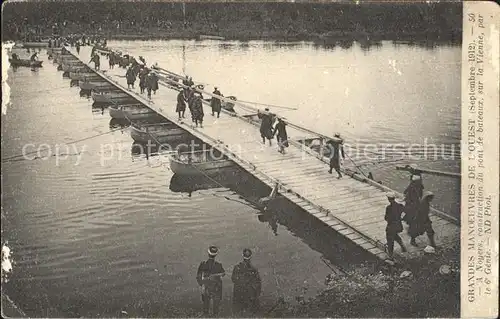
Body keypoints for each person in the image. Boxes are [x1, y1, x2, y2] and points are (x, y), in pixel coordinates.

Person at [196, 246, 225, 317]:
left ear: (208, 254)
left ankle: (206, 314)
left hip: (206, 287)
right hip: (216, 288)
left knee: (206, 306)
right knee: (216, 309)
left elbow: (198, 276)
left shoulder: (203, 264)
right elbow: (223, 273)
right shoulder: (218, 265)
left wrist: (202, 285)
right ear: (215, 255)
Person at [231, 249, 262, 315]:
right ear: (251, 257)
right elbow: (258, 284)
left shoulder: (237, 267)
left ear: (243, 255)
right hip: (250, 296)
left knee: (239, 313)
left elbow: (233, 279)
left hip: (239, 296)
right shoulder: (254, 270)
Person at [384, 192, 407, 259]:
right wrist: (401, 218)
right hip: (398, 225)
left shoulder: (388, 208)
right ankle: (403, 246)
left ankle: (390, 255)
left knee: (390, 239)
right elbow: (405, 212)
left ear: (389, 199)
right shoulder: (400, 205)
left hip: (391, 226)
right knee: (394, 235)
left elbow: (386, 218)